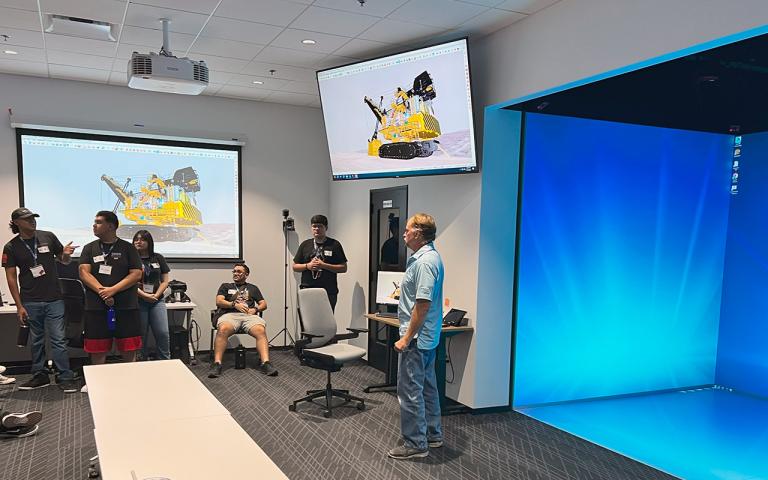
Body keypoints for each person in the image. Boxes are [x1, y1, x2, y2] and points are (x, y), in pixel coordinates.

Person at [2, 207, 79, 393]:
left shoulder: (48, 237)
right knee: (36, 340)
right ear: (17, 223)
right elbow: (11, 277)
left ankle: (65, 376)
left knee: (58, 339)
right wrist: (19, 305)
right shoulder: (11, 247)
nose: (32, 221)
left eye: (33, 218)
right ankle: (40, 375)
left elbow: (63, 260)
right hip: (30, 301)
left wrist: (66, 255)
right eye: (27, 219)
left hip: (54, 299)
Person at [388, 213, 444, 460]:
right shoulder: (427, 258)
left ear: (418, 234)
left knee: (410, 390)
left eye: (407, 230)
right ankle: (433, 434)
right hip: (427, 338)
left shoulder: (424, 263)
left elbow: (422, 304)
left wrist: (406, 338)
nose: (404, 233)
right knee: (428, 388)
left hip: (417, 340)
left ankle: (415, 443)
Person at [78, 211, 142, 389]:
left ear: (111, 226)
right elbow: (83, 272)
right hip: (96, 306)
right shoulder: (89, 248)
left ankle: (131, 380)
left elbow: (136, 273)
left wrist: (113, 290)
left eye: (98, 222)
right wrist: (102, 291)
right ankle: (96, 382)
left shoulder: (128, 248)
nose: (94, 225)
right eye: (94, 222)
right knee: (97, 346)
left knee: (128, 346)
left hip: (126, 305)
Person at [208, 263, 277, 378]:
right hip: (229, 315)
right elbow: (219, 301)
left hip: (248, 316)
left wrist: (255, 309)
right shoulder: (226, 286)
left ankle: (265, 363)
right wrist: (233, 304)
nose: (235, 273)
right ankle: (217, 363)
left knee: (260, 330)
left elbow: (263, 304)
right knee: (223, 329)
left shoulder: (253, 288)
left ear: (246, 274)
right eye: (234, 271)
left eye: (239, 271)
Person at [292, 214, 347, 311]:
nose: (316, 229)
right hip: (307, 290)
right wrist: (307, 266)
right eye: (314, 226)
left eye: (320, 226)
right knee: (308, 323)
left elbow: (343, 268)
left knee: (326, 322)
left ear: (326, 228)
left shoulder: (334, 245)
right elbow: (295, 266)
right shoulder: (305, 245)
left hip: (328, 292)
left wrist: (323, 265)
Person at [133, 230, 171, 360]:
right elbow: (128, 282)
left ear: (149, 242)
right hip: (138, 300)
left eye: (142, 239)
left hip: (157, 301)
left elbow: (165, 281)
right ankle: (141, 362)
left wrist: (156, 295)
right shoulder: (131, 259)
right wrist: (144, 295)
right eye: (136, 239)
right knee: (141, 335)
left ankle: (165, 362)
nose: (139, 242)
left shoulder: (158, 258)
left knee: (163, 333)